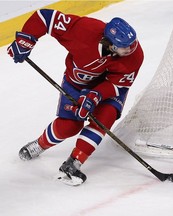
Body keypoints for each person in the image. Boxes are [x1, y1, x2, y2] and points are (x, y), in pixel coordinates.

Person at [7, 9, 144, 186]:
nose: (131, 49)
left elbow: (119, 85)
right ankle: (40, 144)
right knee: (69, 126)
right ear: (110, 44)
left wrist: (96, 95)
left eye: (132, 44)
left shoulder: (135, 55)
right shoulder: (83, 30)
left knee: (105, 116)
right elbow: (45, 17)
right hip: (76, 84)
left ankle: (74, 162)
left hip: (108, 88)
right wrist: (25, 40)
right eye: (125, 47)